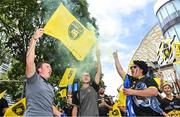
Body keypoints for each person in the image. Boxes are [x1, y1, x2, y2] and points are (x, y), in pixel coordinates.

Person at [113, 51, 164, 116]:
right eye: (131, 68)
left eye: (134, 67)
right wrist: (116, 58)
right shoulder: (130, 80)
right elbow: (120, 70)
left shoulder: (148, 79)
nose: (132, 69)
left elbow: (154, 92)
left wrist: (132, 92)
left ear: (141, 69)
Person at [25, 28, 61, 116]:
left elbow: (49, 106)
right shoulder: (33, 79)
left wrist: (60, 114)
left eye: (50, 68)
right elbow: (29, 62)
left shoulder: (50, 86)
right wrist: (34, 39)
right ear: (39, 69)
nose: (50, 69)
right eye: (47, 67)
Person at [72, 49, 101, 116]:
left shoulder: (94, 87)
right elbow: (75, 109)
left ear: (90, 78)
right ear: (80, 78)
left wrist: (98, 57)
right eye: (84, 75)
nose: (86, 77)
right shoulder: (77, 92)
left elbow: (98, 72)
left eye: (87, 75)